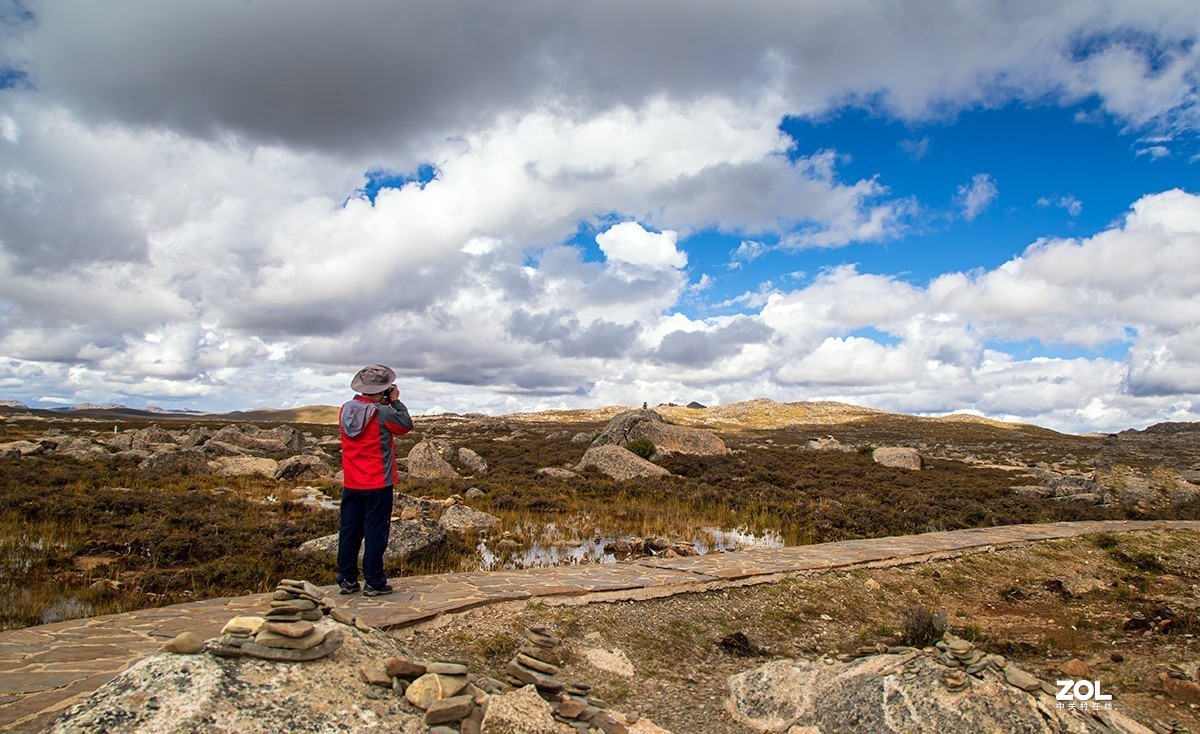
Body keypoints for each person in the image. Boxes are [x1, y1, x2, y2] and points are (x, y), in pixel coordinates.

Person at [336, 364, 413, 596]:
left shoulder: (345, 409)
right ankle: (374, 581)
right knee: (375, 532)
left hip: (351, 482)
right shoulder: (382, 413)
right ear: (382, 390)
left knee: (349, 531)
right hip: (378, 482)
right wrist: (395, 401)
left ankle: (347, 579)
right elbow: (405, 425)